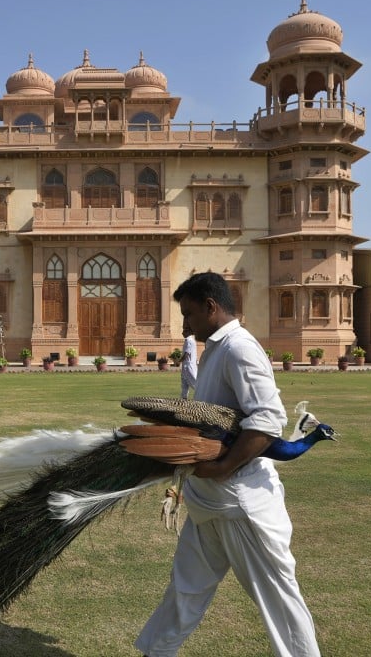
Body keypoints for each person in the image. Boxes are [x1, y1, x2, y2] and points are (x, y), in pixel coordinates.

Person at [135, 272, 321, 657]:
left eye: (188, 315)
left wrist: (222, 468)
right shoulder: (216, 349)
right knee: (185, 590)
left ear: (211, 306)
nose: (185, 325)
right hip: (209, 503)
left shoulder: (239, 348)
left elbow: (268, 420)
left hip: (241, 505)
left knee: (279, 600)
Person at [180, 326, 197, 399]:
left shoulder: (189, 340)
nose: (182, 333)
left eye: (184, 331)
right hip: (185, 366)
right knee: (184, 385)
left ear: (188, 332)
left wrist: (179, 361)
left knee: (194, 384)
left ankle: (205, 397)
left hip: (189, 366)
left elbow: (187, 354)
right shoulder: (188, 340)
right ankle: (183, 401)